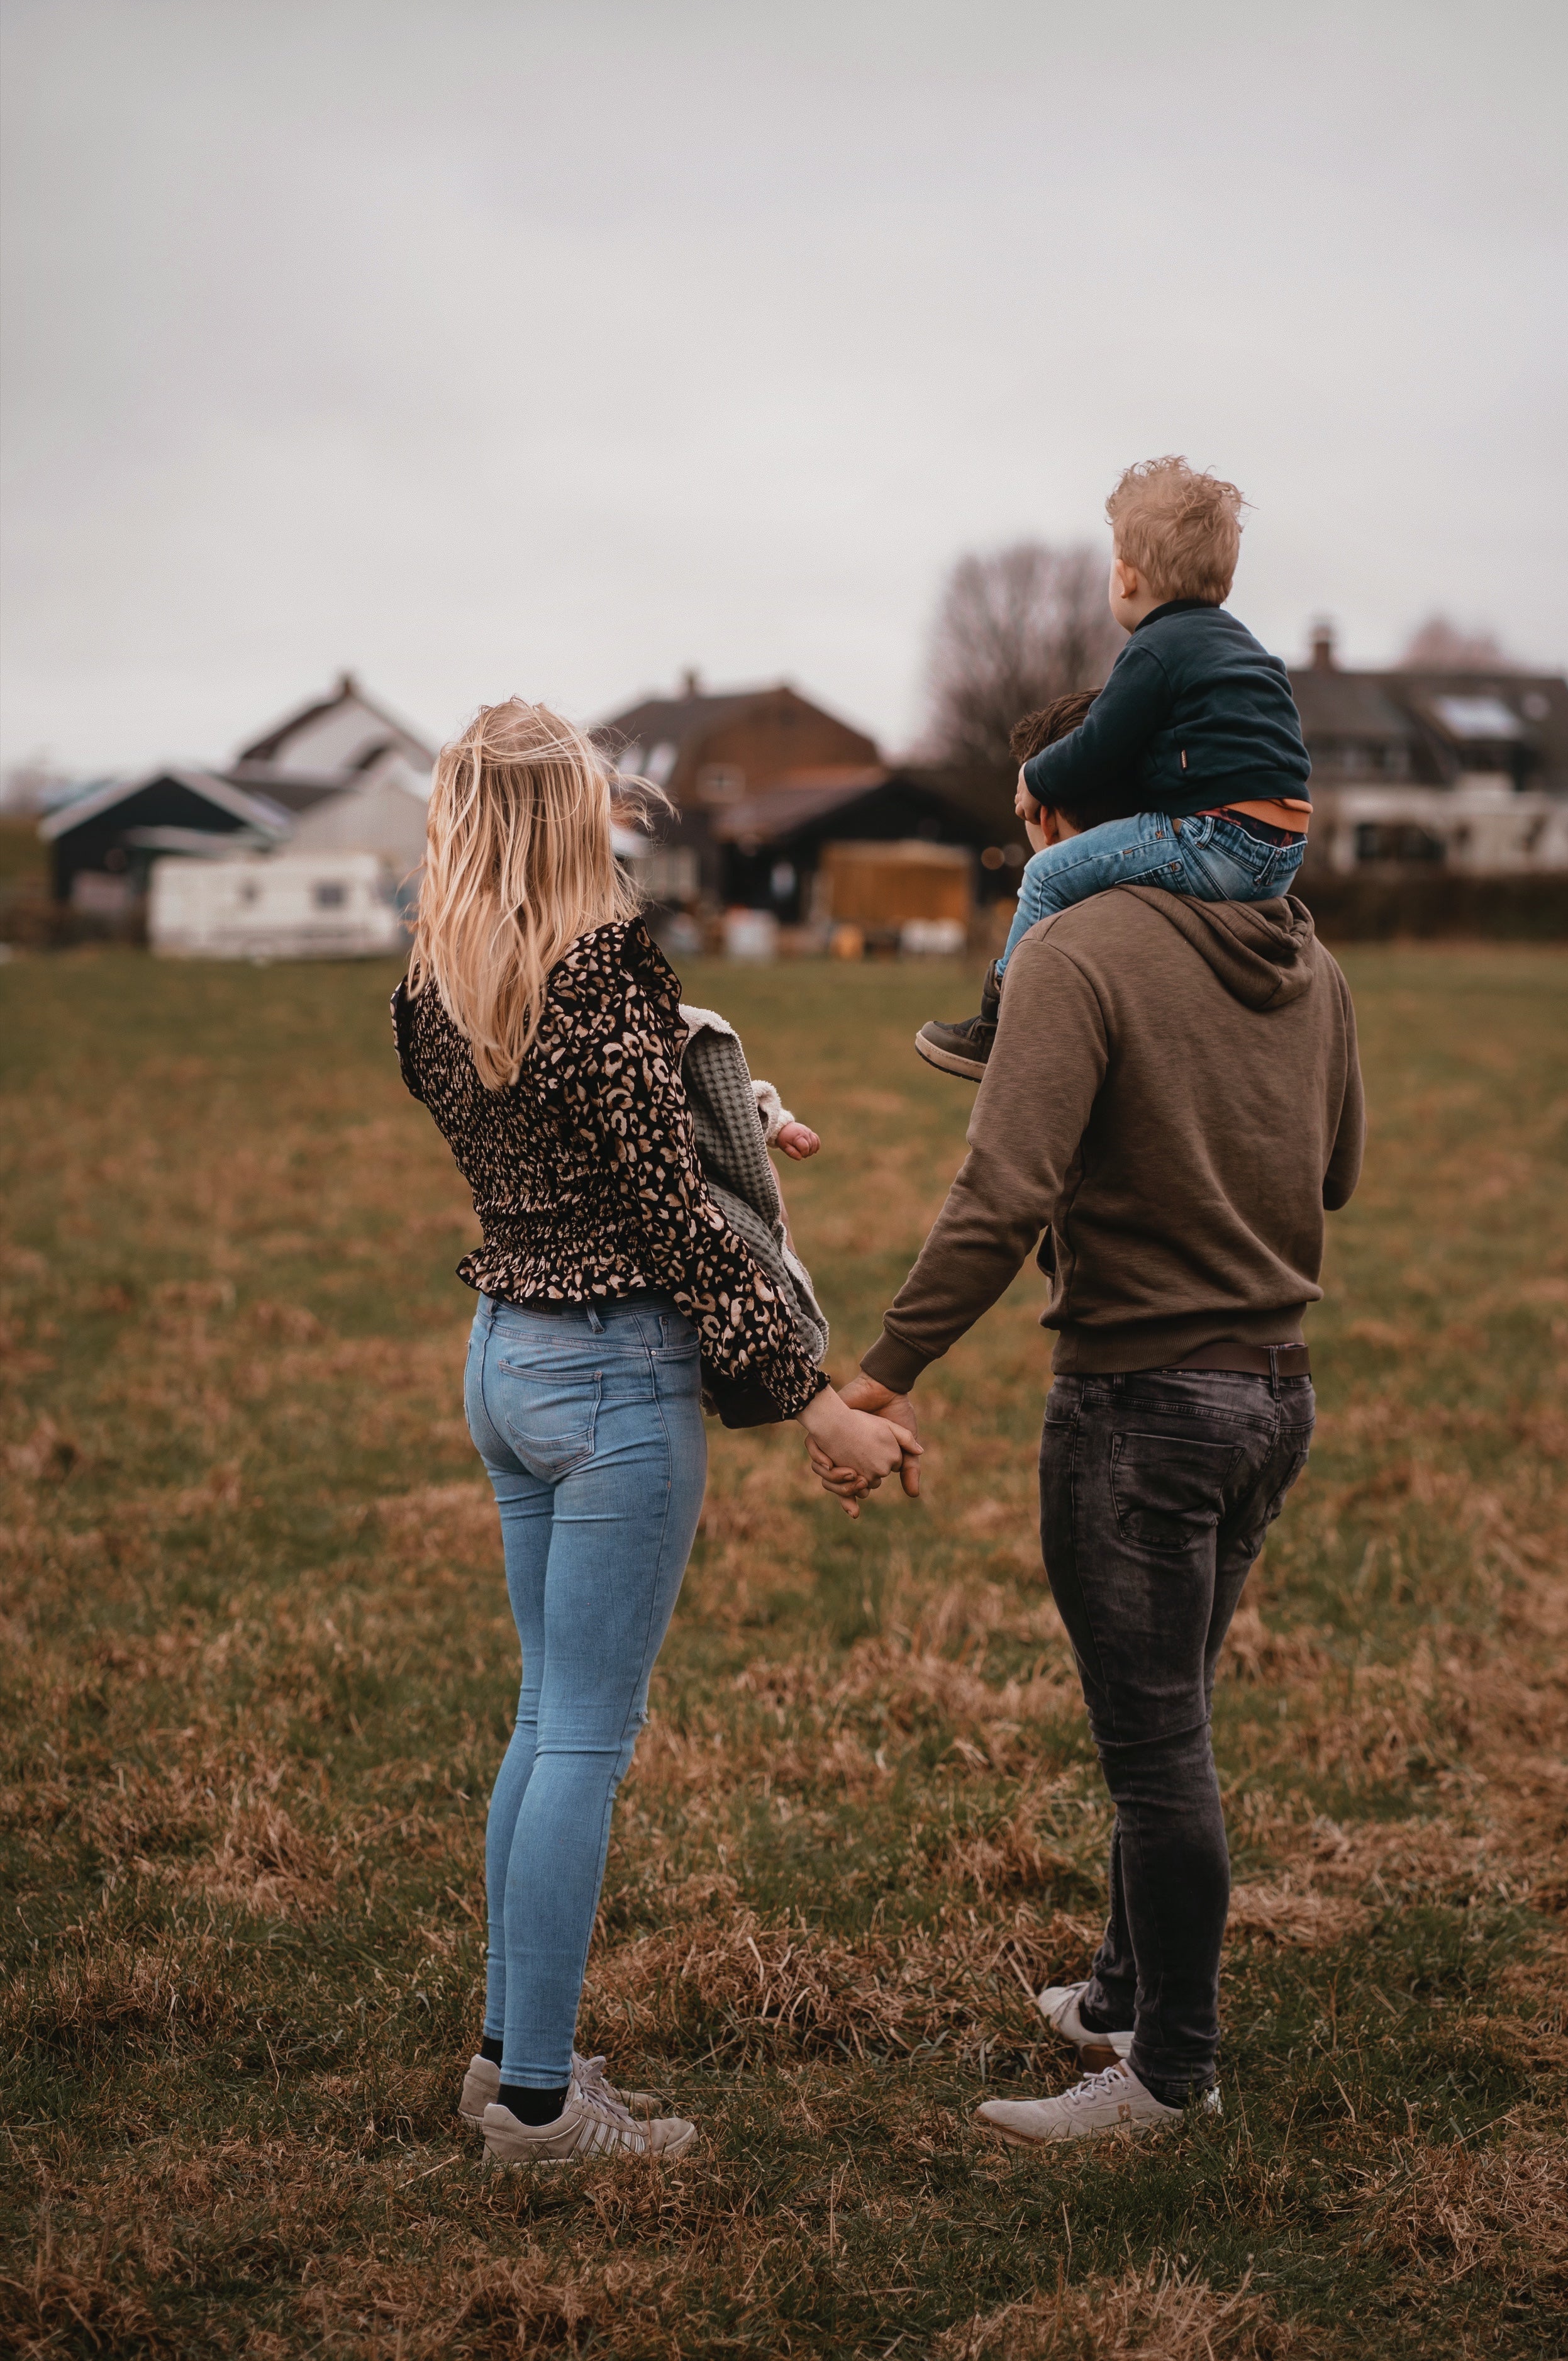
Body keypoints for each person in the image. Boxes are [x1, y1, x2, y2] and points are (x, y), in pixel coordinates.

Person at [393, 700, 917, 2167]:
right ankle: (548, 2110)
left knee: (542, 1716)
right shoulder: (604, 970)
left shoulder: (434, 984)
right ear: (567, 819)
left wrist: (726, 1097)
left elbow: (560, 1122)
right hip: (617, 1377)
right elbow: (679, 1231)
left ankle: (509, 2061)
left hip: (503, 1363)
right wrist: (816, 1399)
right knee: (584, 1739)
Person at [813, 754, 1365, 2145]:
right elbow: (1337, 1172)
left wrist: (879, 1375)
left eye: (1028, 826)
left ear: (1084, 819)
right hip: (1274, 1397)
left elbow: (1002, 1194)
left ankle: (1169, 2074)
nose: (1019, 864)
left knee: (1157, 1749)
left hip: (1141, 1402)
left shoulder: (1075, 948)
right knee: (1173, 1711)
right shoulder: (1307, 952)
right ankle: (1123, 1994)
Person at [915, 454, 1313, 1081]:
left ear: (1125, 579)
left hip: (1218, 838)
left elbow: (1101, 742)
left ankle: (997, 1022)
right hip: (1284, 850)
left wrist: (1036, 778)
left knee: (1048, 875)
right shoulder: (1245, 651)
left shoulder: (1155, 649)